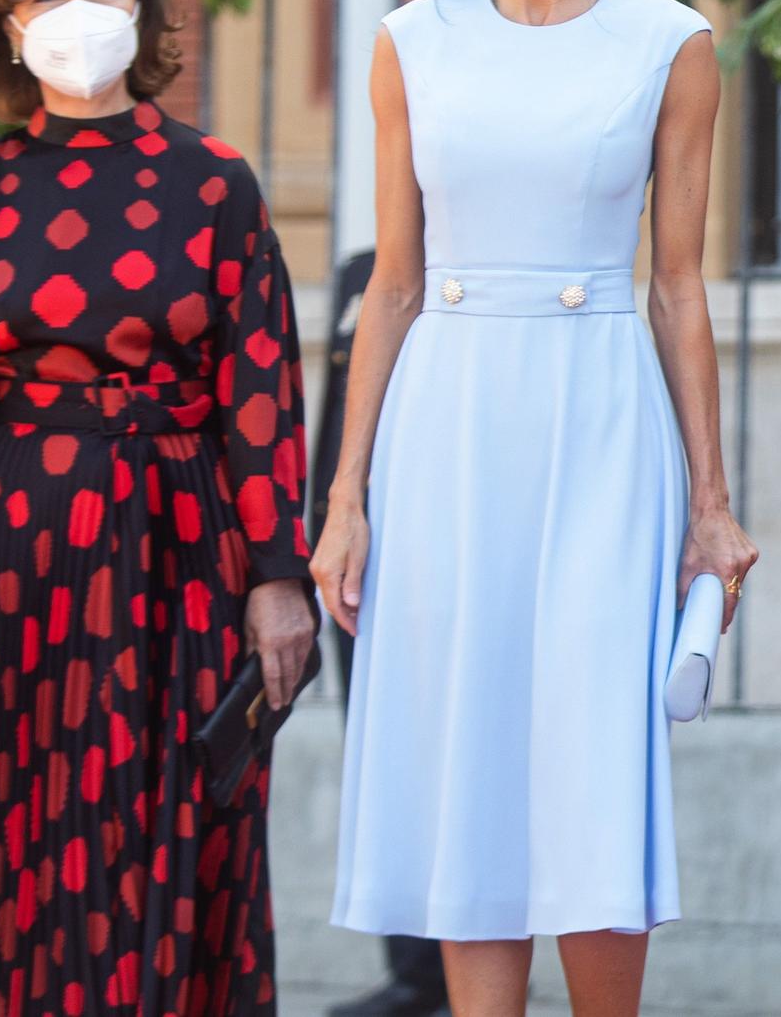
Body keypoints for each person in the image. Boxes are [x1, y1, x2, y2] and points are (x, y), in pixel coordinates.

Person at [312, 0, 756, 1017]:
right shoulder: (413, 42)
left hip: (601, 422)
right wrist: (344, 496)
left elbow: (677, 282)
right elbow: (390, 285)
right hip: (445, 424)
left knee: (587, 759)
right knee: (472, 767)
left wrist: (711, 504)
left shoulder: (671, 43)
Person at [0, 0, 316, 1014]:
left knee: (182, 829)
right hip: (13, 556)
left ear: (144, 10)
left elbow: (260, 393)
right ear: (11, 23)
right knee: (20, 841)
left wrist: (278, 581)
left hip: (184, 550)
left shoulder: (215, 184)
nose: (80, 14)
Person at [309, 249, 451, 1017]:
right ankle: (412, 969)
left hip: (433, 543)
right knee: (385, 761)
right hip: (360, 550)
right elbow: (338, 422)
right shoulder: (363, 272)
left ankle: (446, 971)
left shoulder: (474, 275)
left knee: (451, 765)